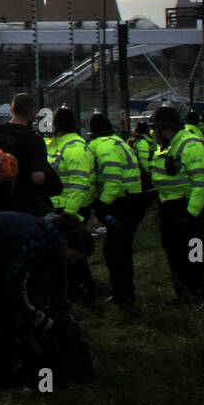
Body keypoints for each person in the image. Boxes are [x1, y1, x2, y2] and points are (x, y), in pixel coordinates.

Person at [0, 211, 95, 388]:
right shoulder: (37, 240)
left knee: (6, 310)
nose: (73, 262)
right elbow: (14, 283)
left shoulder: (52, 237)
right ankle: (2, 375)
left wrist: (38, 311)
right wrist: (31, 313)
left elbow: (36, 282)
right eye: (75, 257)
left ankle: (12, 360)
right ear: (67, 243)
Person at [151, 105, 204, 304]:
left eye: (156, 129)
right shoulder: (167, 146)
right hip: (171, 209)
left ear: (165, 128)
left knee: (194, 254)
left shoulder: (190, 145)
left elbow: (202, 182)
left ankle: (199, 293)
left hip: (188, 210)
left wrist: (190, 214)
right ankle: (184, 294)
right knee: (173, 253)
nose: (154, 133)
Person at [86, 114, 145, 313]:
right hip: (131, 203)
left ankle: (125, 299)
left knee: (114, 252)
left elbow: (113, 182)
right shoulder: (118, 142)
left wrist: (101, 205)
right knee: (123, 251)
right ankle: (126, 293)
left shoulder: (104, 147)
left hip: (122, 205)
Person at [0, 92, 54, 216]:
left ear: (12, 110)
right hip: (21, 207)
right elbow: (37, 178)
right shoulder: (34, 138)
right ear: (32, 113)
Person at [48, 107, 97, 305]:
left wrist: (69, 214)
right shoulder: (56, 144)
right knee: (62, 257)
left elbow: (80, 184)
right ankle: (70, 294)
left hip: (69, 211)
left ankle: (83, 294)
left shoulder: (75, 147)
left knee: (74, 255)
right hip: (58, 209)